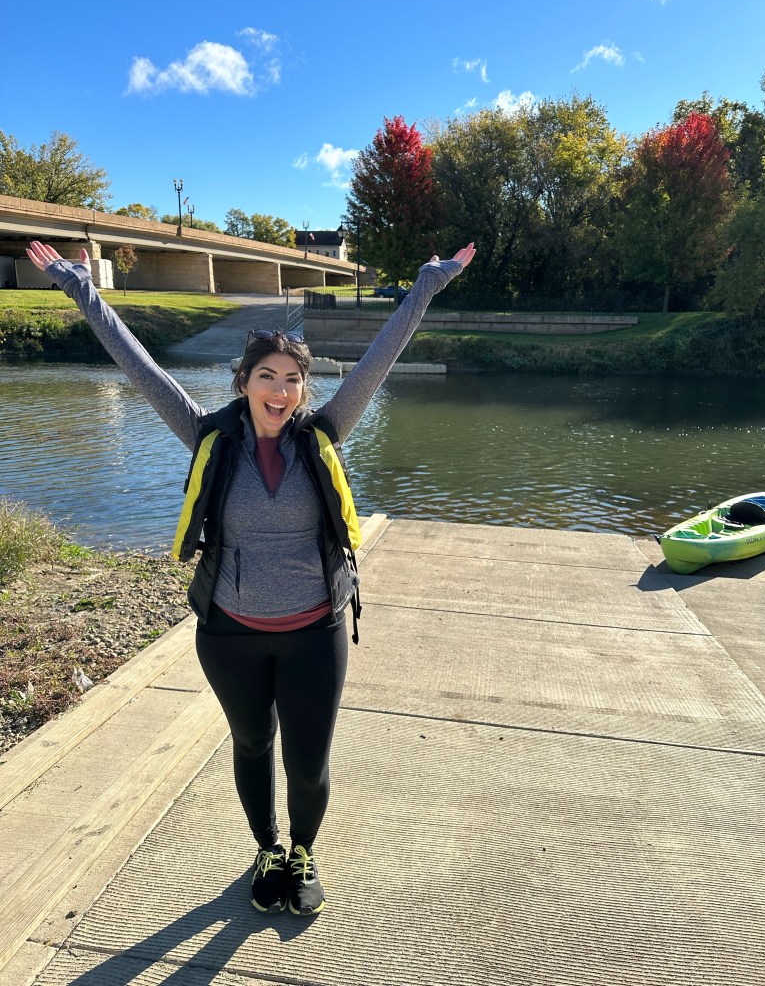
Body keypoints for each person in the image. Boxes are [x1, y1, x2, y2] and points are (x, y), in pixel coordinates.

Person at [25, 237, 475, 916]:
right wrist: (78, 285)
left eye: (292, 379)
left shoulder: (323, 434)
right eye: (267, 376)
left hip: (314, 632)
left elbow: (379, 358)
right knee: (251, 742)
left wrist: (426, 286)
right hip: (230, 633)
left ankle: (304, 852)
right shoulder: (208, 436)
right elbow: (140, 367)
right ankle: (266, 849)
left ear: (302, 390)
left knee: (308, 763)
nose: (281, 390)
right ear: (243, 382)